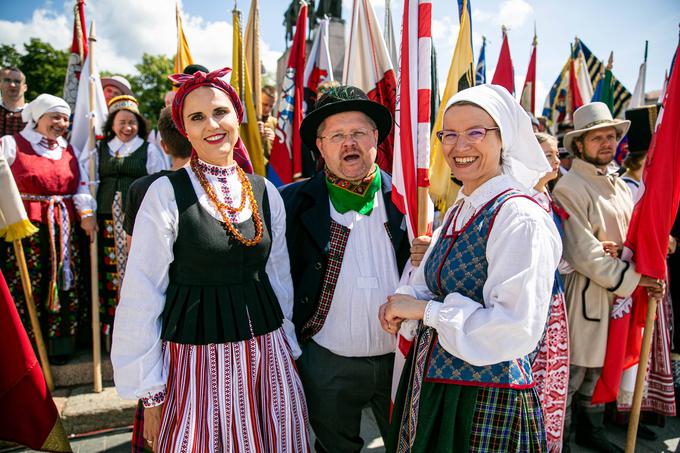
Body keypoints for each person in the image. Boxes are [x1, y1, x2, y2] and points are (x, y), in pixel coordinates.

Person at [111, 67, 309, 452]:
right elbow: (142, 293)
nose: (212, 125)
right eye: (196, 117)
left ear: (237, 115)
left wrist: (288, 347)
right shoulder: (166, 193)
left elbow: (278, 277)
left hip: (265, 357)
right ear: (184, 129)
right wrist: (150, 392)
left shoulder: (265, 191)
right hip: (194, 364)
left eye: (220, 112)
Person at [381, 84, 561, 452]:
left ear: (503, 138)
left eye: (475, 132)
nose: (459, 146)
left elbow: (514, 326)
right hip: (435, 387)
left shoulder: (519, 215)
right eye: (449, 134)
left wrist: (423, 310)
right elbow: (435, 283)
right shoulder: (463, 206)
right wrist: (405, 300)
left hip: (482, 398)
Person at [281, 85, 410, 452]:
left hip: (401, 359)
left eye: (358, 133)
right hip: (325, 361)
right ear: (320, 146)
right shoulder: (291, 203)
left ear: (376, 139)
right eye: (336, 135)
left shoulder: (410, 201)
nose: (348, 143)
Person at [553, 102, 665, 452]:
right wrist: (636, 279)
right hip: (585, 296)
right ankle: (564, 440)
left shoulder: (617, 184)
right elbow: (585, 256)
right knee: (574, 375)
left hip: (617, 294)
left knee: (600, 371)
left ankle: (591, 430)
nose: (606, 143)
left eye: (611, 136)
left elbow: (633, 237)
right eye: (597, 137)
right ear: (579, 144)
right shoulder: (569, 187)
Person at [0, 94, 96, 363]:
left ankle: (60, 346)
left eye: (65, 118)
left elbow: (81, 185)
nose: (61, 123)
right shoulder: (11, 144)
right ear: (37, 117)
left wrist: (86, 214)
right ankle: (28, 349)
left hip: (64, 229)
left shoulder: (69, 150)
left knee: (66, 283)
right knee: (30, 283)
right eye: (55, 116)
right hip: (27, 229)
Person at [96, 95, 167, 339]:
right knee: (109, 273)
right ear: (112, 124)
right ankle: (111, 328)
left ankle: (138, 328)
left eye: (132, 122)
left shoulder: (148, 149)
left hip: (137, 220)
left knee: (138, 269)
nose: (127, 127)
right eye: (122, 122)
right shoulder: (100, 149)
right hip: (105, 220)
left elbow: (157, 181)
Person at [532, 132, 571, 451]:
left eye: (556, 154)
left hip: (553, 299)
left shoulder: (548, 198)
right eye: (547, 155)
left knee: (551, 380)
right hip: (534, 301)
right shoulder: (525, 200)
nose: (556, 161)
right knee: (535, 378)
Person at [0, 67, 28, 137]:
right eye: (7, 80)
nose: (12, 85)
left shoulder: (35, 116)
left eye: (17, 81)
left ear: (25, 88)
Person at [259, 85, 277, 161]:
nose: (267, 109)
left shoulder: (275, 123)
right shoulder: (250, 120)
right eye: (264, 104)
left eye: (271, 106)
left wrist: (275, 141)